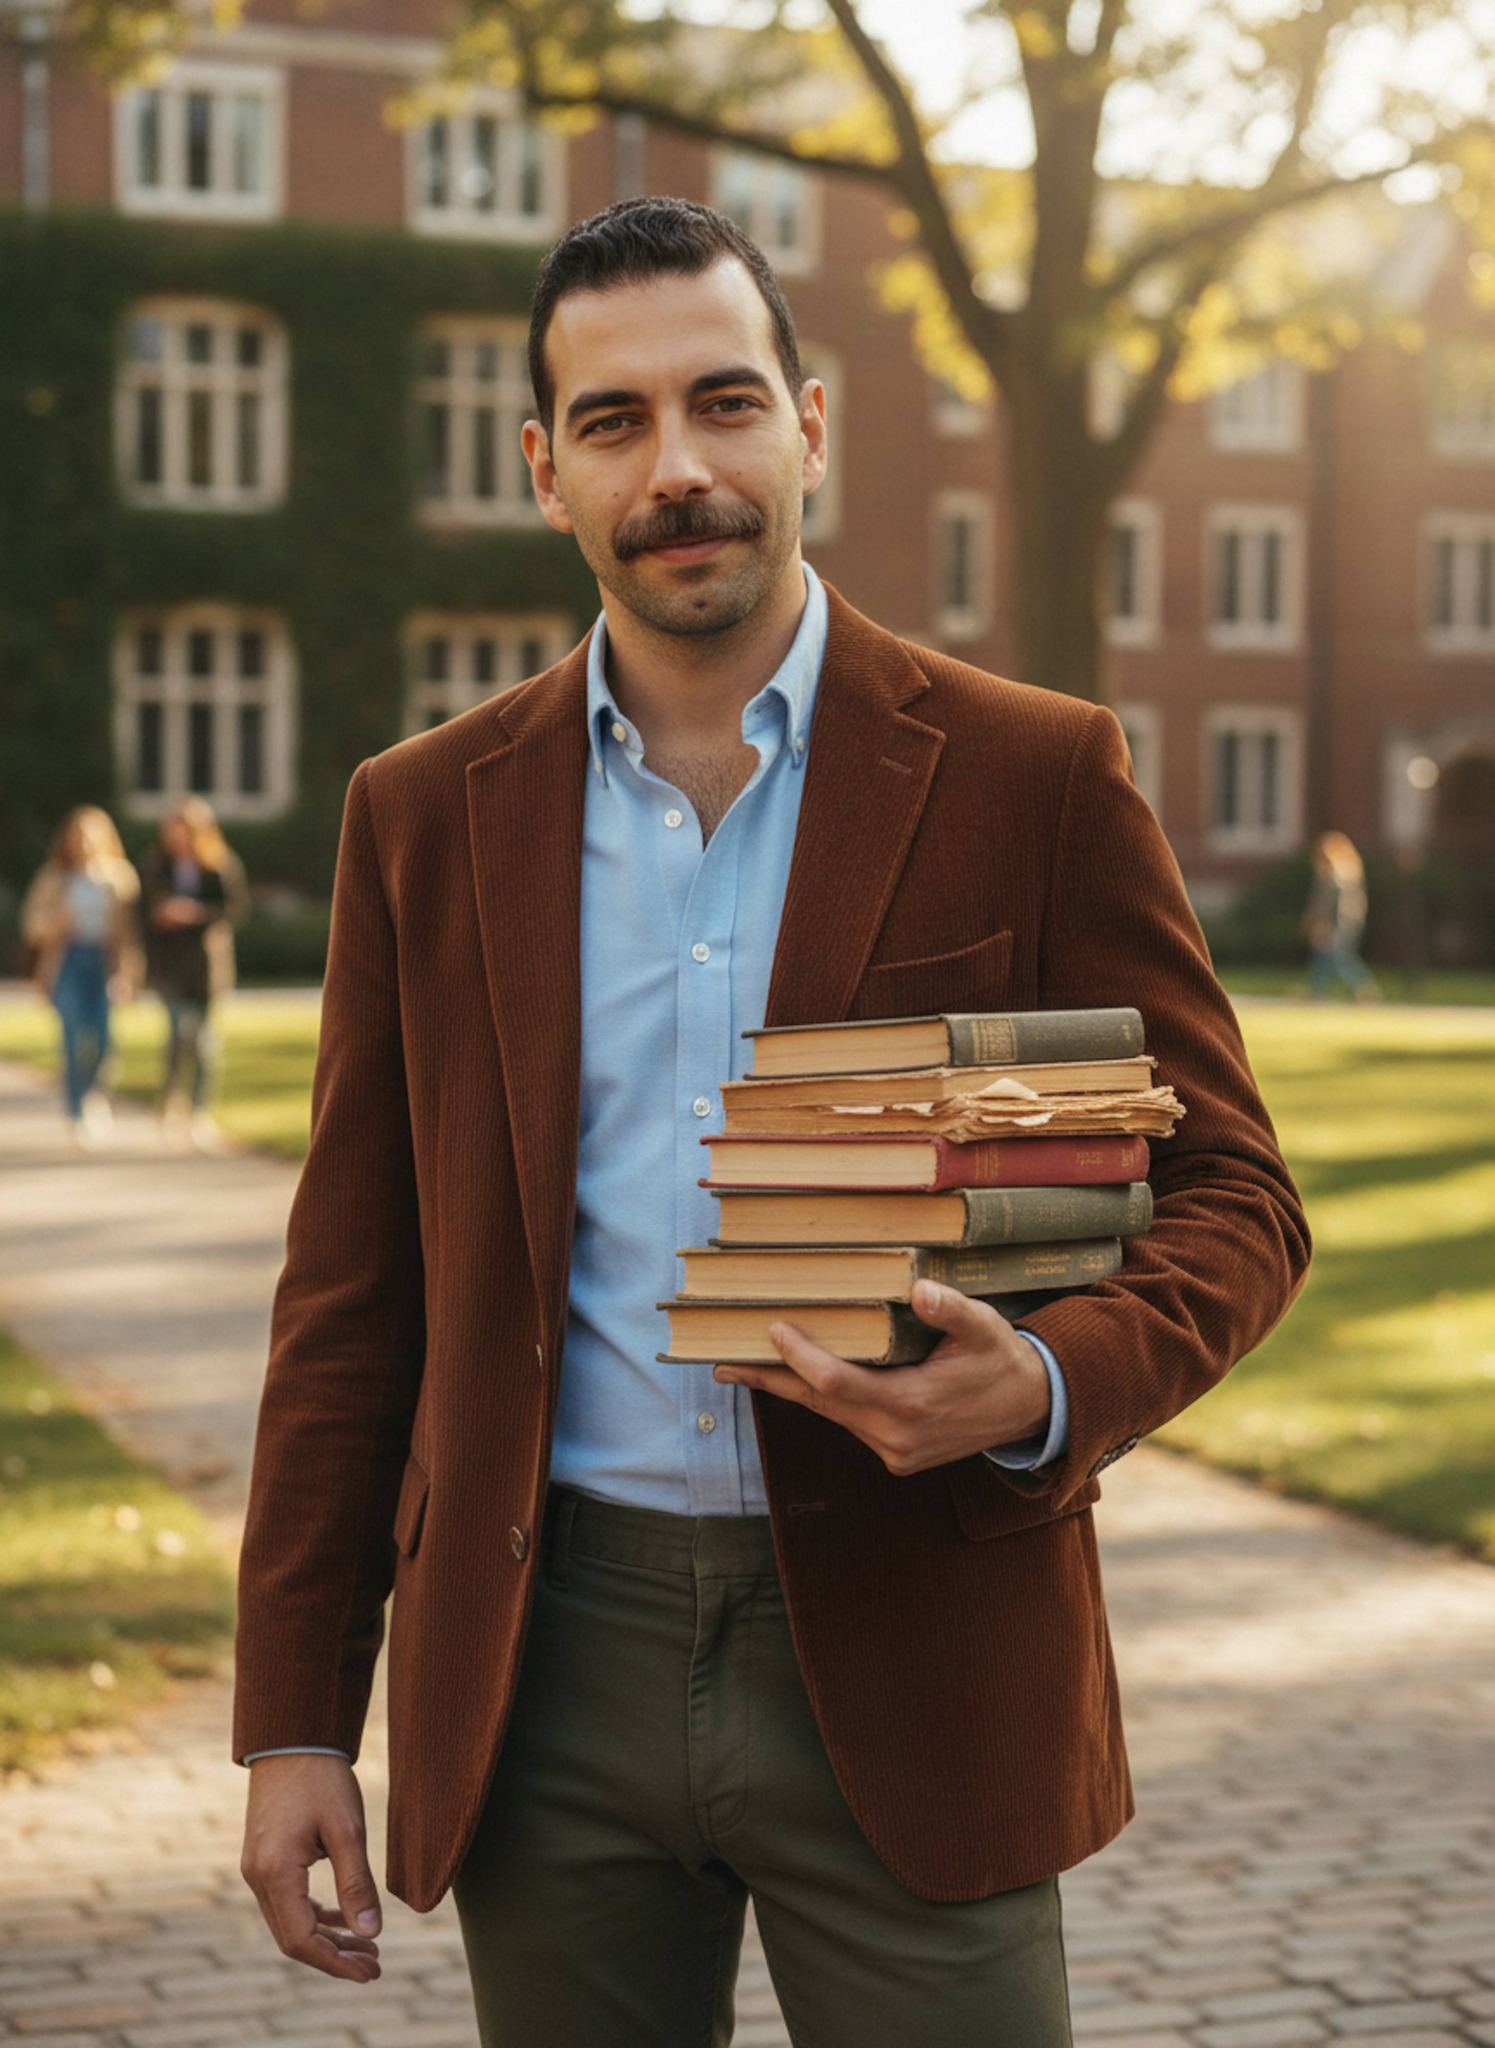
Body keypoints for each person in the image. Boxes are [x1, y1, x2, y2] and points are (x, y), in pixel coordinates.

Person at [235, 199, 1310, 2047]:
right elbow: (352, 1296)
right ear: (545, 471)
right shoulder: (419, 817)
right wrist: (294, 1716)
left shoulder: (1036, 773)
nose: (681, 469)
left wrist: (1041, 1383)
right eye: (616, 422)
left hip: (924, 1643)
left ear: (813, 423)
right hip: (545, 1660)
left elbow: (1236, 1191)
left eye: (725, 404)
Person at [19, 805, 142, 1145]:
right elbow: (32, 926)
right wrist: (55, 925)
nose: (84, 844)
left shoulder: (119, 878)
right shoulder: (55, 877)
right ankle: (76, 1111)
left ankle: (93, 1095)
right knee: (73, 1037)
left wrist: (128, 974)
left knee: (104, 1040)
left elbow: (127, 935)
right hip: (68, 962)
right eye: (78, 837)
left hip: (103, 961)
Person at [142, 797, 249, 1150]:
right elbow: (141, 913)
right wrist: (162, 916)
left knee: (204, 1042)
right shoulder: (158, 866)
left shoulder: (219, 865)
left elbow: (234, 911)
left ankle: (200, 1111)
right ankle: (170, 1104)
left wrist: (195, 914)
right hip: (170, 965)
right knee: (175, 1038)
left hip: (205, 966)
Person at [1304, 831, 1377, 1000]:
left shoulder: (1337, 876)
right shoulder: (1340, 873)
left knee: (1339, 959)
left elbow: (1334, 905)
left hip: (1337, 926)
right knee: (1325, 959)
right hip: (1340, 925)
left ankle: (1360, 988)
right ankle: (1318, 991)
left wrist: (1329, 926)